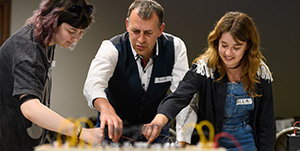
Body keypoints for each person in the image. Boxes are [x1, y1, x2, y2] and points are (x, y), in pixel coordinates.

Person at [142, 11, 276, 150]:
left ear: (247, 46)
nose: (228, 53)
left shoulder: (260, 72)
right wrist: (159, 120)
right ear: (216, 41)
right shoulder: (204, 69)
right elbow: (180, 96)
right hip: (211, 142)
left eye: (236, 47)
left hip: (246, 143)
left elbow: (266, 124)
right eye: (224, 45)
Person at [0, 0, 104, 151]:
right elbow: (30, 108)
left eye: (81, 33)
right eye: (71, 31)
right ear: (52, 22)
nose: (76, 39)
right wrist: (82, 133)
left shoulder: (46, 43)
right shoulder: (28, 47)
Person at [83, 0, 189, 144]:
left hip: (155, 132)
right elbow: (92, 85)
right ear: (127, 25)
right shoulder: (111, 48)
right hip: (114, 132)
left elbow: (183, 95)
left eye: (148, 33)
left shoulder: (175, 48)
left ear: (160, 29)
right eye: (135, 31)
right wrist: (106, 109)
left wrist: (183, 140)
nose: (141, 39)